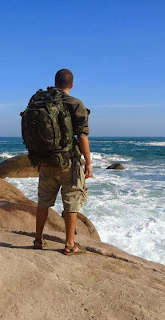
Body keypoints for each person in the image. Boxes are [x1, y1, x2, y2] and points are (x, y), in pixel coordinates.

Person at [33, 69, 92, 255]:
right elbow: (82, 136)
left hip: (45, 161)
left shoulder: (40, 102)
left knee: (43, 201)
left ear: (55, 82)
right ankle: (69, 244)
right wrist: (88, 163)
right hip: (68, 162)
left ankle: (38, 239)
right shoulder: (75, 104)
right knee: (71, 202)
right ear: (72, 85)